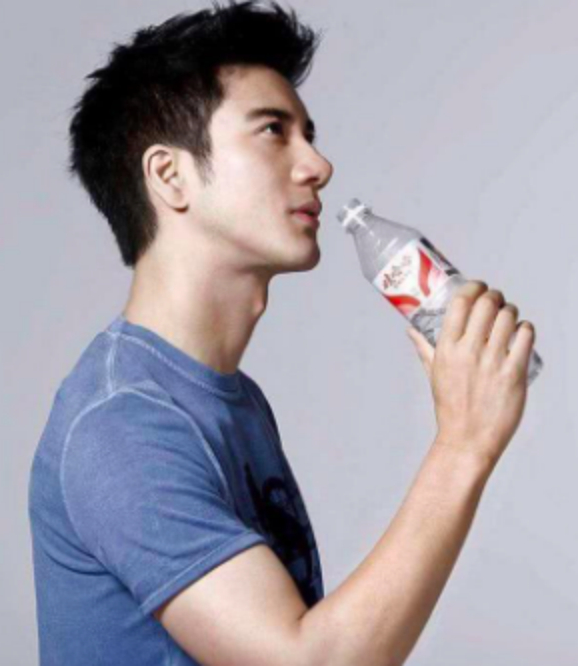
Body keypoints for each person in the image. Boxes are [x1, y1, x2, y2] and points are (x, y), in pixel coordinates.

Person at [28, 2, 537, 665]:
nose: (319, 165)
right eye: (273, 130)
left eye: (308, 135)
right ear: (170, 176)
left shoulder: (227, 398)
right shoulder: (123, 421)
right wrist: (463, 445)